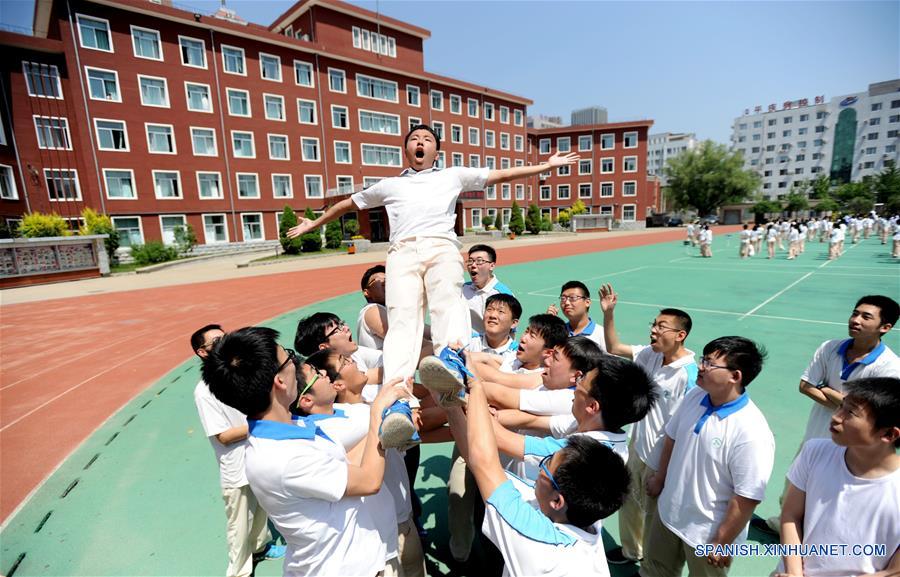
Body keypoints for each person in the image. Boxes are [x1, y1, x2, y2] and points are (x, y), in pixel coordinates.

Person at [287, 124, 578, 389]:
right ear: (407, 150)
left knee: (448, 305)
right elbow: (348, 204)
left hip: (441, 247)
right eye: (414, 139)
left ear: (435, 152)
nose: (420, 142)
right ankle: (397, 389)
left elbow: (499, 174)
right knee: (402, 318)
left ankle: (450, 361)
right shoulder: (390, 185)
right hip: (402, 251)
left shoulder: (452, 175)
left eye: (427, 139)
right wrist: (314, 223)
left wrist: (545, 166)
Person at [201, 326, 411, 576]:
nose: (297, 364)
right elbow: (368, 481)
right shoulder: (285, 457)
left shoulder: (292, 428)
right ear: (279, 381)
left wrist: (381, 427)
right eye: (289, 357)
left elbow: (347, 467)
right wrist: (377, 414)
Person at [439, 363, 632, 576]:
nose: (540, 470)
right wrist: (450, 406)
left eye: (545, 466)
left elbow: (484, 462)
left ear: (558, 501)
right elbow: (483, 465)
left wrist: (475, 388)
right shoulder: (581, 518)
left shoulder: (537, 539)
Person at [762, 295, 900, 533]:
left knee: (830, 500)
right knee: (793, 488)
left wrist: (824, 387)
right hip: (815, 436)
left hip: (852, 447)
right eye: (855, 313)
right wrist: (848, 403)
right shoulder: (829, 348)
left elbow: (869, 412)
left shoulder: (889, 367)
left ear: (885, 327)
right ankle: (783, 527)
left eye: (866, 317)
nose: (855, 320)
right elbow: (805, 386)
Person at [642, 336, 775, 577]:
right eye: (704, 359)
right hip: (668, 514)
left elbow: (746, 496)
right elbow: (672, 438)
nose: (701, 366)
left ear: (735, 376)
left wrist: (722, 540)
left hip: (706, 534)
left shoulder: (751, 431)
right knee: (654, 570)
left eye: (711, 363)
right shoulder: (695, 396)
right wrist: (661, 478)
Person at [300, 351, 427, 577]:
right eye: (345, 361)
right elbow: (403, 423)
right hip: (382, 533)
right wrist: (407, 404)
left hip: (401, 517)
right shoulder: (351, 421)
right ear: (337, 384)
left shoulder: (359, 411)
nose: (353, 361)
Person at [598, 285, 698, 566]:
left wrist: (663, 472)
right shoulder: (650, 355)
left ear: (680, 335)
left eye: (662, 327)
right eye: (654, 324)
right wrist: (609, 314)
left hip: (662, 456)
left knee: (655, 512)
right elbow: (614, 348)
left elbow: (680, 432)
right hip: (638, 445)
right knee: (628, 499)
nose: (654, 330)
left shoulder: (688, 375)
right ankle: (632, 552)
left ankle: (652, 564)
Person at [774, 377, 900, 577]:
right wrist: (794, 572)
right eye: (841, 406)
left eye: (850, 412)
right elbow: (791, 516)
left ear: (889, 434)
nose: (836, 417)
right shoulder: (814, 452)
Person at [191, 324, 283, 577]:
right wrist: (263, 421)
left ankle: (260, 547)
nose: (226, 342)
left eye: (226, 337)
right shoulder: (204, 391)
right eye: (217, 340)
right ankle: (239, 571)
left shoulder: (239, 374)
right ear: (202, 352)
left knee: (262, 510)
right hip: (236, 467)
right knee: (239, 524)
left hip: (258, 456)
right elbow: (223, 436)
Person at [295, 312, 421, 450]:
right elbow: (409, 427)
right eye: (337, 329)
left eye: (341, 324)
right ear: (337, 385)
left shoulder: (351, 408)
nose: (346, 328)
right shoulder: (353, 419)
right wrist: (409, 404)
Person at [462, 244, 514, 335]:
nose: (473, 265)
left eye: (479, 261)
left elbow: (509, 334)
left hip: (486, 347)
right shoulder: (463, 289)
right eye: (470, 261)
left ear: (492, 266)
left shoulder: (503, 296)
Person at [547, 280, 606, 352]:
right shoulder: (558, 333)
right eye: (563, 298)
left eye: (573, 298)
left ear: (587, 302)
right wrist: (547, 325)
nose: (567, 302)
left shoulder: (601, 334)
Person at [356, 265, 388, 351]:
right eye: (378, 280)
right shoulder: (372, 310)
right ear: (367, 292)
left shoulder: (389, 310)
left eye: (387, 279)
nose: (384, 282)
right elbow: (404, 337)